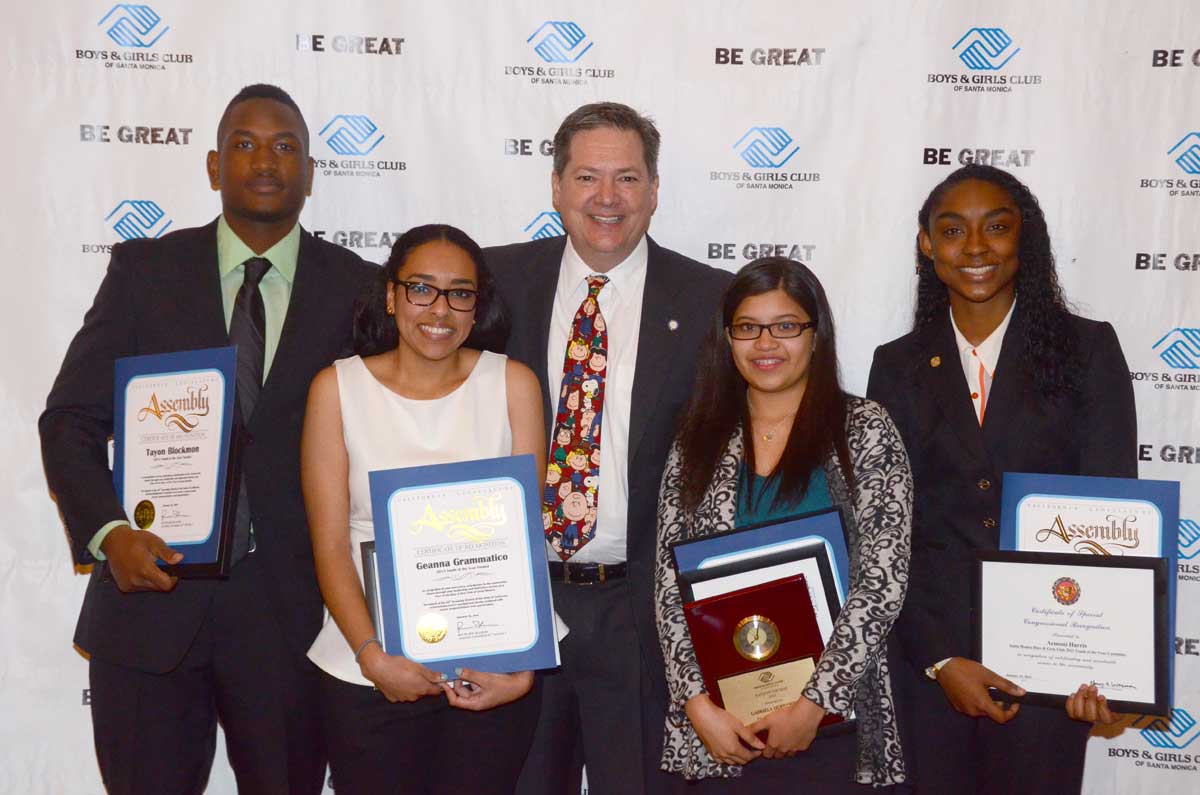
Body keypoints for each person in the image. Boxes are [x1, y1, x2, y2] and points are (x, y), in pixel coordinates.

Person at [38, 84, 375, 794]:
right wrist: (108, 532)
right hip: (148, 600)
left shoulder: (361, 289)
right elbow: (69, 420)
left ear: (311, 173)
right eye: (245, 144)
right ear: (213, 165)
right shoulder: (143, 273)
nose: (265, 160)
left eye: (286, 146)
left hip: (292, 617)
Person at [487, 101, 733, 794]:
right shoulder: (492, 285)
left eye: (626, 178)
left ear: (654, 191)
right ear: (557, 186)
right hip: (518, 599)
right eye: (587, 176)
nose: (606, 198)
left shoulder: (712, 300)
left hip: (642, 612)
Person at [866, 164, 1135, 794]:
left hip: (1053, 670)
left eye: (997, 227)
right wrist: (938, 658)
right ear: (927, 245)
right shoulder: (897, 365)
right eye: (953, 230)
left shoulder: (1087, 351)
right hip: (932, 671)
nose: (977, 247)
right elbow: (887, 532)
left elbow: (1115, 513)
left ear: (1026, 238)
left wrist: (1105, 666)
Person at [302, 224, 546, 794]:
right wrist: (371, 656)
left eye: (460, 292)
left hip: (493, 667)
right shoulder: (335, 389)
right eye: (421, 289)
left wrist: (523, 663)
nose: (440, 308)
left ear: (477, 305)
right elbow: (330, 544)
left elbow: (524, 538)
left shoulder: (513, 383)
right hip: (367, 668)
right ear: (390, 295)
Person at [655, 257, 912, 792]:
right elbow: (667, 582)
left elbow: (882, 581)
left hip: (829, 727)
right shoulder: (697, 436)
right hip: (721, 732)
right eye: (748, 328)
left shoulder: (863, 429)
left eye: (786, 326)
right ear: (727, 340)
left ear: (816, 336)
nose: (766, 343)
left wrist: (816, 704)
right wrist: (697, 704)